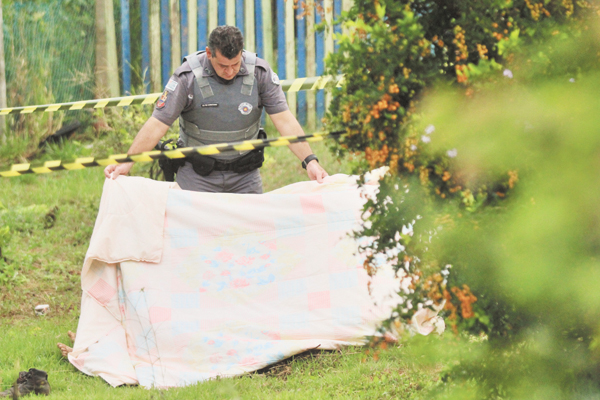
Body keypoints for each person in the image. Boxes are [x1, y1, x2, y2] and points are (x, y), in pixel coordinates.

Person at [103, 25, 328, 193]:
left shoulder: (260, 74)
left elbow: (284, 120)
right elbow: (157, 124)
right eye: (223, 65)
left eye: (235, 64)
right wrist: (127, 162)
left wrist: (310, 160)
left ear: (242, 53)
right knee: (193, 238)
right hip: (197, 176)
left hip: (245, 176)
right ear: (209, 53)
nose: (230, 71)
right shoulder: (186, 78)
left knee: (249, 237)